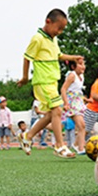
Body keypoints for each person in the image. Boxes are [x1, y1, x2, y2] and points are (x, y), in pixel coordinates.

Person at [17, 9, 83, 159]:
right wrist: (25, 77)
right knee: (57, 111)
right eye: (59, 28)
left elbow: (58, 55)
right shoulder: (37, 39)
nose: (60, 32)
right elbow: (27, 57)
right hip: (43, 82)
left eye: (63, 29)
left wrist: (73, 57)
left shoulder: (53, 39)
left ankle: (27, 136)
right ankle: (60, 145)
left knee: (50, 115)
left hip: (53, 82)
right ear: (48, 22)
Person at [60, 59, 87, 154]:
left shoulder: (81, 76)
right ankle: (80, 148)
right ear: (73, 67)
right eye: (80, 64)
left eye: (84, 64)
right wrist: (66, 103)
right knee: (81, 125)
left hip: (78, 102)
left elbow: (77, 91)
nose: (83, 66)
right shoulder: (72, 75)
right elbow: (63, 89)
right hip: (71, 102)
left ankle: (78, 146)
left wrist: (86, 99)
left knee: (82, 125)